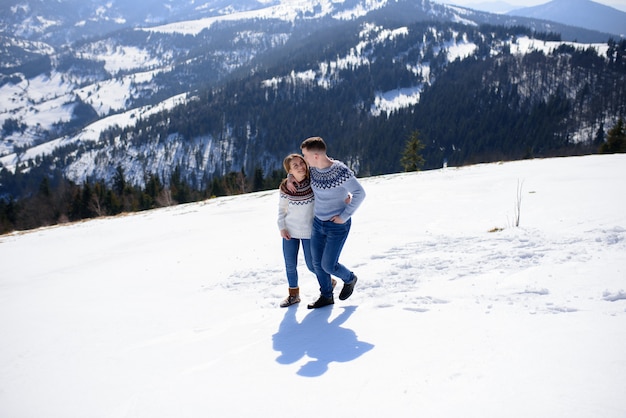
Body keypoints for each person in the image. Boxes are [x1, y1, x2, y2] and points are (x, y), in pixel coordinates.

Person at [294, 136, 366, 309]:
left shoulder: (340, 171)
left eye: (306, 155)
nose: (304, 160)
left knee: (328, 265)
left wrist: (344, 216)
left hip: (337, 226)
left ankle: (350, 278)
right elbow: (298, 176)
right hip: (318, 224)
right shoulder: (314, 171)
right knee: (316, 263)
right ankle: (326, 296)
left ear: (316, 156)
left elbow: (360, 193)